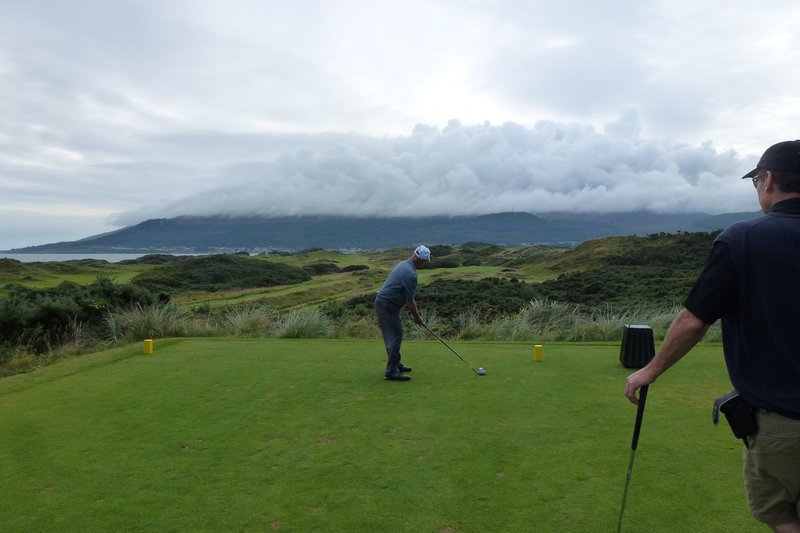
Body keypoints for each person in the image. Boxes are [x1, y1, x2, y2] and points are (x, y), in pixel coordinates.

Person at [624, 140, 800, 532]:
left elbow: (693, 320)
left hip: (784, 424)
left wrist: (649, 371)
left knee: (779, 514)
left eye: (756, 178)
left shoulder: (743, 238)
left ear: (768, 180)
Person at [375, 245, 430, 381]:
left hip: (386, 304)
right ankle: (391, 372)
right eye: (424, 261)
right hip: (387, 305)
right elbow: (410, 301)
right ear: (421, 260)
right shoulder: (410, 274)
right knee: (395, 337)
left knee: (394, 335)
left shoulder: (404, 264)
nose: (424, 263)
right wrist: (417, 318)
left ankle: (396, 364)